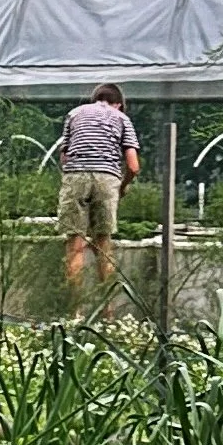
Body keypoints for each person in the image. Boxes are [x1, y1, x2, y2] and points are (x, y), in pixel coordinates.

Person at [56, 82, 140, 299]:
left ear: (95, 98)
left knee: (75, 246)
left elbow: (64, 156)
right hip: (106, 178)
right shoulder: (122, 118)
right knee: (103, 246)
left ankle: (74, 313)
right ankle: (107, 314)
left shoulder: (74, 114)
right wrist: (123, 187)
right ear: (119, 104)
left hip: (76, 175)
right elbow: (133, 166)